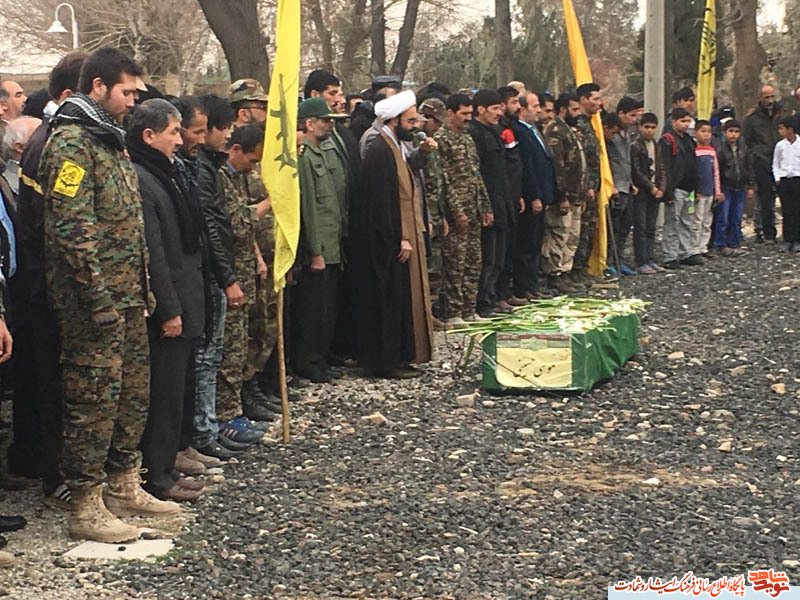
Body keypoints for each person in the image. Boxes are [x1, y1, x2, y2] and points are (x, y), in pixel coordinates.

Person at [38, 47, 179, 544]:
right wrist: (96, 296)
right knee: (93, 402)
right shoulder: (72, 143)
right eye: (127, 92)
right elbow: (71, 230)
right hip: (92, 303)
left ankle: (123, 484)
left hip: (127, 297)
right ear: (97, 87)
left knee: (131, 397)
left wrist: (141, 289)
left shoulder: (109, 139)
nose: (134, 101)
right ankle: (85, 503)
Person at [11, 51, 84, 510]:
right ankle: (55, 475)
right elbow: (53, 226)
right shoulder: (52, 143)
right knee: (53, 386)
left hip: (50, 287)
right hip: (47, 290)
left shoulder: (60, 137)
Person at [128, 99, 206, 502]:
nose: (179, 140)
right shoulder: (143, 179)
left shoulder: (168, 172)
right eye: (173, 132)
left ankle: (168, 463)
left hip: (187, 293)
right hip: (170, 303)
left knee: (177, 389)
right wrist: (168, 309)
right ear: (149, 135)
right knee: (164, 392)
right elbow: (153, 254)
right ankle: (155, 474)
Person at [353, 90, 434, 377]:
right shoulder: (379, 149)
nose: (414, 126)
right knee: (388, 300)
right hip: (388, 240)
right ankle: (386, 362)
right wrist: (399, 237)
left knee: (401, 298)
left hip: (401, 234)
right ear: (394, 120)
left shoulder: (394, 144)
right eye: (409, 121)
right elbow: (380, 202)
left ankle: (402, 355)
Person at [192, 94, 247, 461]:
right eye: (222, 128)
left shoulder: (209, 166)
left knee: (212, 354)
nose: (227, 135)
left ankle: (209, 428)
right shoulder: (201, 169)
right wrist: (226, 276)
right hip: (209, 272)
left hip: (215, 269)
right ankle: (204, 430)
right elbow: (210, 224)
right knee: (206, 357)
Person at [228, 79, 282, 418]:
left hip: (267, 248)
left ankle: (258, 384)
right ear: (244, 111)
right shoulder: (233, 155)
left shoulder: (264, 147)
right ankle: (244, 392)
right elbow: (239, 212)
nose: (266, 112)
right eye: (260, 107)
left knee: (265, 325)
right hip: (248, 255)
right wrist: (257, 255)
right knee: (247, 330)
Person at [216, 124, 270, 445]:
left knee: (242, 344)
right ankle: (225, 418)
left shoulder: (236, 177)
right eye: (251, 160)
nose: (253, 168)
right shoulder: (220, 177)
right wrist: (269, 204)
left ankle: (235, 410)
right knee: (229, 349)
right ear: (235, 149)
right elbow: (235, 223)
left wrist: (258, 257)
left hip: (245, 269)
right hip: (230, 275)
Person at [293, 98, 344, 383]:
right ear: (310, 124)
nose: (329, 125)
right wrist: (315, 250)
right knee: (314, 309)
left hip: (332, 242)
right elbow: (310, 207)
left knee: (327, 308)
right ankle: (309, 361)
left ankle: (321, 358)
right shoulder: (305, 157)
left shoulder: (322, 152)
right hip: (320, 245)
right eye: (325, 120)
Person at [435, 93, 491, 327]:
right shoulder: (441, 139)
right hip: (456, 212)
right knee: (455, 264)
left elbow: (476, 174)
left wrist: (485, 206)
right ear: (450, 113)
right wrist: (457, 211)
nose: (468, 118)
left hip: (474, 207)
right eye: (464, 114)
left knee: (473, 262)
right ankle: (452, 311)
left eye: (470, 113)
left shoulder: (467, 138)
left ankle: (469, 308)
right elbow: (444, 180)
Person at [512, 90, 557, 299]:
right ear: (523, 109)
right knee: (526, 244)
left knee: (536, 243)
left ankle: (532, 285)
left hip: (543, 193)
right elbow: (528, 167)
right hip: (532, 197)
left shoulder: (534, 130)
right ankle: (523, 287)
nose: (539, 110)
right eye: (535, 106)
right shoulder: (520, 131)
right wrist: (535, 195)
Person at [469, 90, 509, 317]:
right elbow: (478, 174)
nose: (499, 113)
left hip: (501, 201)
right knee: (487, 258)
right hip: (487, 204)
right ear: (481, 109)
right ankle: (483, 302)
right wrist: (485, 206)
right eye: (494, 109)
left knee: (498, 257)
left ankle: (492, 297)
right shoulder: (475, 134)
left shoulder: (493, 131)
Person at [542, 94, 587, 294]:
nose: (578, 114)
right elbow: (557, 166)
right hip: (564, 195)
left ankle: (566, 271)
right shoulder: (556, 131)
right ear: (563, 110)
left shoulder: (570, 131)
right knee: (558, 235)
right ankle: (554, 274)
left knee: (572, 236)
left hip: (576, 194)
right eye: (574, 109)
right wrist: (562, 196)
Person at [495, 86, 527, 310]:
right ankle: (497, 295)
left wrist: (518, 194)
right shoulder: (498, 131)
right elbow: (501, 169)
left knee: (510, 248)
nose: (518, 107)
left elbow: (515, 166)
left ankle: (507, 292)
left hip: (512, 196)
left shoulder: (510, 129)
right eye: (514, 102)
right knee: (498, 253)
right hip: (500, 197)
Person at [660, 107, 700, 269]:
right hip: (676, 187)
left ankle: (685, 252)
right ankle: (670, 255)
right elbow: (666, 167)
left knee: (687, 221)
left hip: (689, 188)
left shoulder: (688, 140)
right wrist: (668, 191)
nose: (686, 124)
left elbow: (694, 164)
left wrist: (697, 188)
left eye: (688, 121)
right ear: (673, 121)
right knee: (672, 222)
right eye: (682, 121)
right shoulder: (667, 140)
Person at [571, 82, 602, 287]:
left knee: (589, 229)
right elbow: (580, 161)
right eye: (595, 99)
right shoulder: (578, 125)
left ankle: (581, 268)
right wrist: (587, 185)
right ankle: (573, 269)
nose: (599, 103)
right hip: (584, 187)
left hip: (594, 185)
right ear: (583, 99)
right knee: (578, 230)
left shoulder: (591, 124)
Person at [743, 85, 783, 243]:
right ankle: (768, 233)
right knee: (766, 199)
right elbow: (747, 140)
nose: (770, 100)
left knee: (787, 198)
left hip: (782, 160)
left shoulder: (781, 113)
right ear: (760, 98)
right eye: (767, 97)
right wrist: (756, 154)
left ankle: (790, 233)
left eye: (772, 96)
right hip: (763, 161)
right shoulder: (752, 118)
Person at [630, 112, 667, 273]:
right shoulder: (635, 146)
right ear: (640, 127)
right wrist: (651, 187)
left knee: (651, 227)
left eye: (653, 127)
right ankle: (641, 261)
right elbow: (636, 170)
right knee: (641, 227)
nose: (650, 131)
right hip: (642, 192)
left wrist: (662, 188)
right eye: (647, 127)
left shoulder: (656, 145)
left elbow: (662, 168)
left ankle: (650, 258)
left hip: (655, 192)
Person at [714, 119, 755, 255]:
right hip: (726, 187)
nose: (733, 134)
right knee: (723, 217)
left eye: (736, 132)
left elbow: (749, 167)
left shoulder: (744, 149)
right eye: (730, 131)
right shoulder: (720, 150)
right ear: (724, 133)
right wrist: (718, 189)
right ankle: (721, 244)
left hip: (740, 187)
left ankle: (734, 243)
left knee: (736, 217)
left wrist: (750, 185)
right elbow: (717, 171)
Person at [603, 112, 635, 276]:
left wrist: (631, 182)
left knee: (624, 226)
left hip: (626, 186)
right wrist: (612, 186)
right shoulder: (608, 140)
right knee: (612, 229)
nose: (635, 118)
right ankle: (608, 262)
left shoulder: (627, 135)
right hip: (615, 188)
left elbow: (626, 162)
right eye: (632, 114)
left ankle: (619, 260)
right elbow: (608, 163)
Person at [692, 120, 723, 259]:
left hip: (710, 191)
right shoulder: (694, 151)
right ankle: (694, 248)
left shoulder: (711, 151)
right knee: (696, 221)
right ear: (696, 133)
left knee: (707, 221)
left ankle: (703, 247)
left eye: (709, 132)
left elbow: (716, 171)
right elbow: (693, 172)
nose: (706, 135)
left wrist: (718, 191)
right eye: (703, 131)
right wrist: (695, 190)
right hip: (699, 192)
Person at [772, 116, 800, 252]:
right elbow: (776, 163)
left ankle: (797, 240)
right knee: (787, 211)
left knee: (797, 211)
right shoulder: (780, 146)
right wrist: (777, 178)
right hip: (785, 181)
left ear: (790, 129)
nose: (779, 131)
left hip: (798, 179)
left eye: (782, 129)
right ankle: (787, 239)